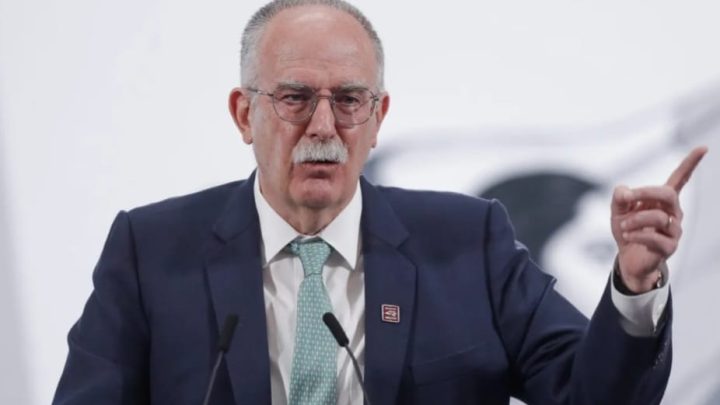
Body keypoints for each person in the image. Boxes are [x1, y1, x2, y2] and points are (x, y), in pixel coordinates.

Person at [53, 1, 708, 404]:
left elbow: (593, 396)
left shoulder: (468, 243)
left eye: (348, 100)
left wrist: (635, 284)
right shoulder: (151, 251)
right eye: (295, 98)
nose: (322, 126)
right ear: (244, 113)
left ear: (378, 117)